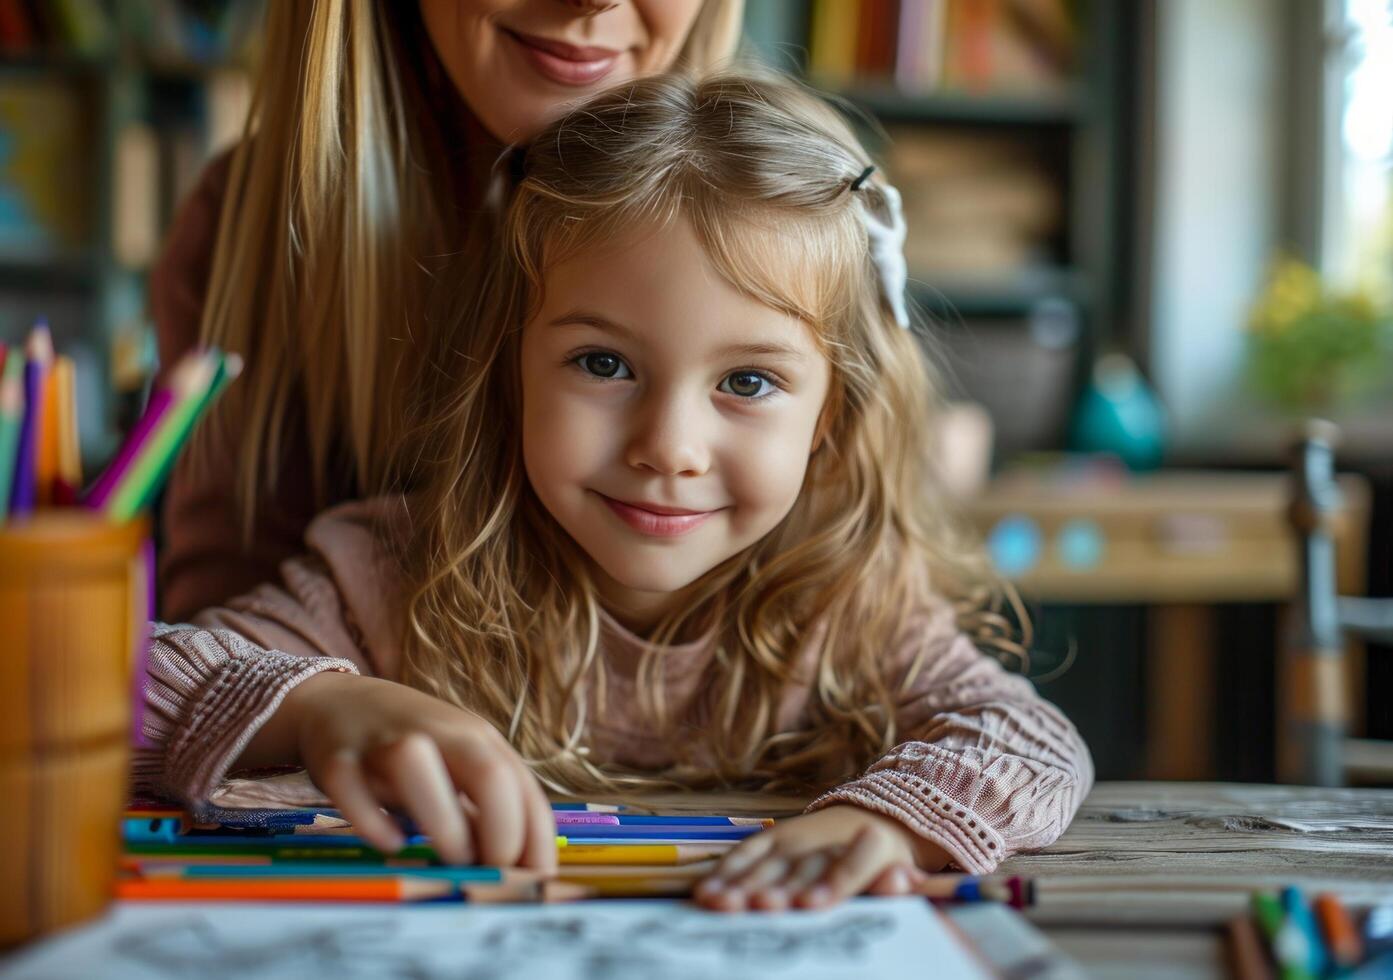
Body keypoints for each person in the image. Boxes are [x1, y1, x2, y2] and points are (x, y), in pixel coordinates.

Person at [138, 71, 1093, 912]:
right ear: (508, 372)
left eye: (747, 383)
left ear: (832, 417)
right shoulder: (387, 575)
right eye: (602, 362)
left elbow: (1029, 741)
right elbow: (122, 686)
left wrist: (890, 826)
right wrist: (318, 709)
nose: (668, 447)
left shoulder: (849, 603)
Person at [153, 0, 743, 622]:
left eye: (747, 381)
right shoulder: (251, 231)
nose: (594, 2)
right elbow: (222, 649)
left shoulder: (831, 230)